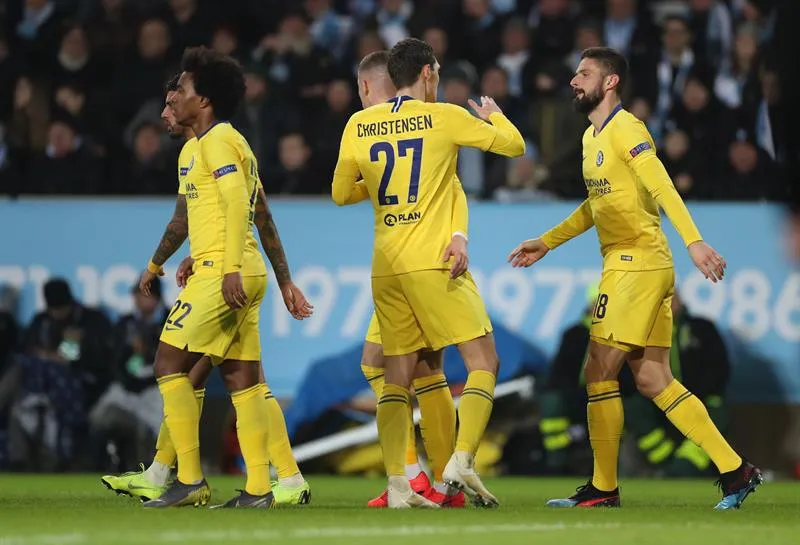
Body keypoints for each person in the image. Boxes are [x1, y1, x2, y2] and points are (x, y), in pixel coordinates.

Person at [508, 46, 761, 510]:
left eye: (583, 73)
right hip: (637, 265)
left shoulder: (627, 129)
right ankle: (736, 471)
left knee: (598, 370)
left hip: (637, 263)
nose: (573, 81)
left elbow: (661, 184)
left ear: (610, 83)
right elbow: (595, 206)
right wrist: (548, 241)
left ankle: (603, 488)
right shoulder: (591, 139)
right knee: (654, 380)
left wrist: (694, 241)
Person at [102, 74, 313, 506]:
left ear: (202, 100)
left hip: (226, 272)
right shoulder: (200, 149)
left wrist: (227, 264)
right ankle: (262, 485)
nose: (166, 110)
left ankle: (187, 478)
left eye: (172, 100)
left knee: (169, 364)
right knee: (243, 380)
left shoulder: (217, 142)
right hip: (229, 266)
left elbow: (242, 206)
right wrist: (166, 261)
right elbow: (238, 215)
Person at [332, 37, 525, 508]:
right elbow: (515, 147)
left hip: (386, 267)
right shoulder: (446, 117)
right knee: (484, 362)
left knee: (400, 375)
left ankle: (402, 484)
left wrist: (383, 187)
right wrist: (493, 116)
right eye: (435, 71)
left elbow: (341, 192)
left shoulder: (359, 123)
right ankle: (460, 461)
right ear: (426, 74)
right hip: (432, 264)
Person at [350, 50, 466, 508]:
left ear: (367, 88)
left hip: (408, 264)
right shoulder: (424, 121)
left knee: (392, 365)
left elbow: (341, 191)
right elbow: (452, 184)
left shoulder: (370, 127)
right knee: (423, 369)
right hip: (423, 261)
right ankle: (435, 480)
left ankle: (419, 476)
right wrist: (459, 236)